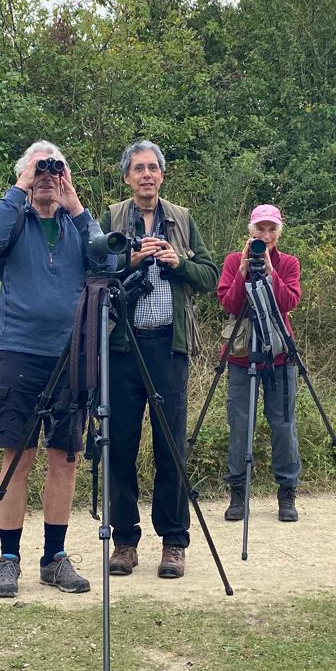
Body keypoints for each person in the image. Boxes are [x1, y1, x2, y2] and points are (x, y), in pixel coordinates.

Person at [0, 141, 104, 598]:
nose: (49, 175)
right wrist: (21, 186)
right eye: (40, 169)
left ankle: (54, 556)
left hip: (71, 354)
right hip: (19, 350)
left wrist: (77, 205)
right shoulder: (14, 219)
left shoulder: (77, 224)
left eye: (56, 168)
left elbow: (106, 261)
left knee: (64, 458)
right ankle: (8, 558)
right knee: (17, 457)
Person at [99, 140, 220, 580]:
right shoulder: (111, 217)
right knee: (121, 446)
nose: (146, 175)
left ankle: (174, 543)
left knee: (171, 447)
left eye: (153, 168)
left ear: (162, 175)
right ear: (127, 177)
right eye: (138, 169)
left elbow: (209, 275)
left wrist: (177, 263)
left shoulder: (182, 219)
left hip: (169, 346)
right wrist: (129, 261)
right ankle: (125, 542)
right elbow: (93, 271)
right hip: (122, 346)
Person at [216, 203, 303, 523]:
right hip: (241, 356)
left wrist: (270, 270)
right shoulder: (231, 261)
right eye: (260, 229)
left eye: (271, 229)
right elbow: (229, 303)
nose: (265, 236)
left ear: (279, 232)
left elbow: (289, 302)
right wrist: (241, 272)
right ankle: (238, 492)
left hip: (280, 357)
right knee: (240, 425)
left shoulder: (289, 263)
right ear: (250, 231)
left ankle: (286, 493)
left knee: (283, 426)